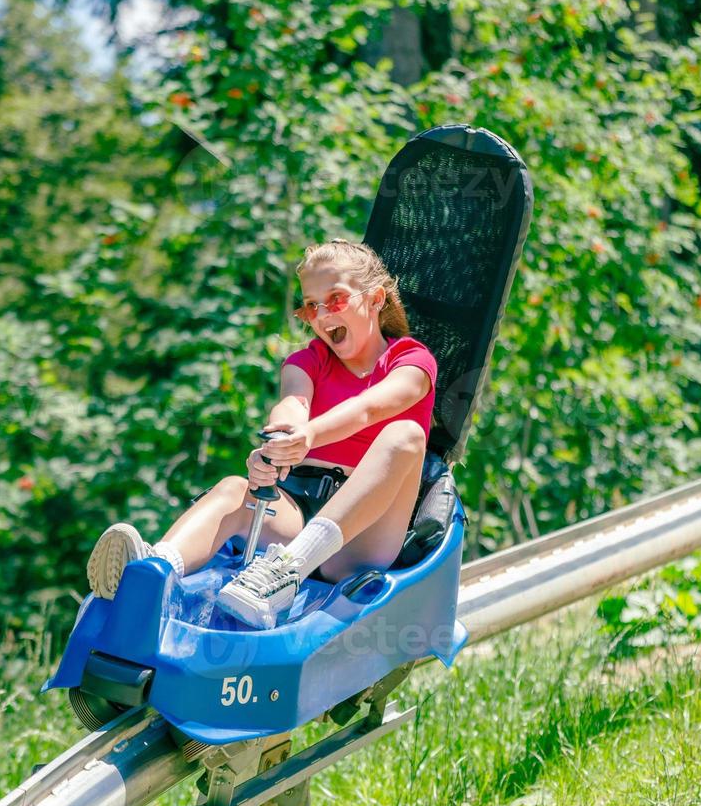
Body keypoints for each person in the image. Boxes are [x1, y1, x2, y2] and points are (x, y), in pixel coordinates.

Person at [85, 238, 438, 628]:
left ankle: (285, 571)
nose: (321, 315)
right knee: (235, 488)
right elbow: (292, 404)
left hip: (360, 539)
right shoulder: (309, 360)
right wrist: (279, 443)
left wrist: (309, 436)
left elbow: (371, 408)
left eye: (335, 299)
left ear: (374, 299)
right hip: (298, 512)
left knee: (404, 434)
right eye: (310, 306)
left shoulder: (410, 360)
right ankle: (149, 573)